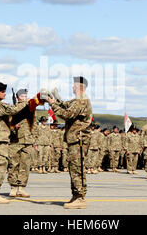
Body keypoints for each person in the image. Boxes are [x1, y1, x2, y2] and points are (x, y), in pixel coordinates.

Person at [48, 76, 93, 209]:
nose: (72, 87)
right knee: (74, 167)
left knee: (77, 168)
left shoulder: (81, 101)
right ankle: (76, 195)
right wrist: (57, 100)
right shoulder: (77, 101)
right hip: (75, 139)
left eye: (74, 85)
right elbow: (67, 106)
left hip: (78, 139)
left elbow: (67, 114)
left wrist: (52, 104)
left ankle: (80, 197)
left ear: (80, 87)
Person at [0, 82, 31, 204]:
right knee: (0, 165)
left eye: (5, 92)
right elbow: (13, 109)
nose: (4, 94)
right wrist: (26, 102)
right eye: (2, 92)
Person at [7, 88, 36, 198]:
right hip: (16, 140)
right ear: (18, 98)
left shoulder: (30, 109)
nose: (25, 98)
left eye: (25, 96)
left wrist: (34, 140)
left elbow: (34, 125)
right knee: (13, 164)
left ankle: (21, 188)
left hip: (27, 141)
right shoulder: (13, 108)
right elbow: (6, 124)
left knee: (25, 165)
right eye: (22, 96)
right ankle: (13, 187)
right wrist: (13, 126)